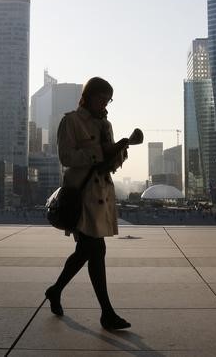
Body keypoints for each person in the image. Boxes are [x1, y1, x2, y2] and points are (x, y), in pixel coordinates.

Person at [44, 77, 131, 330]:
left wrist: (119, 151)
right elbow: (65, 156)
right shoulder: (70, 121)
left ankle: (55, 290)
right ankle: (107, 313)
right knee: (95, 250)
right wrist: (99, 152)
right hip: (80, 197)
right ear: (88, 96)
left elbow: (108, 165)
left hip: (100, 196)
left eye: (108, 98)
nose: (105, 103)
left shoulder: (106, 125)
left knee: (87, 251)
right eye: (101, 97)